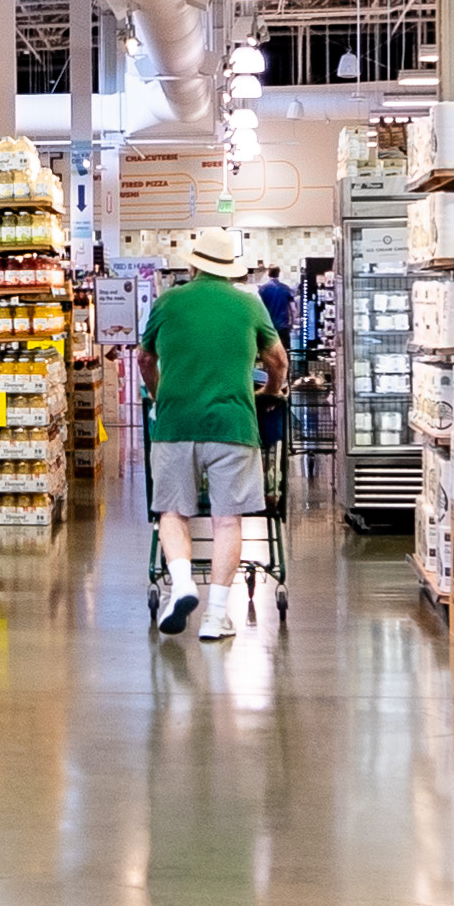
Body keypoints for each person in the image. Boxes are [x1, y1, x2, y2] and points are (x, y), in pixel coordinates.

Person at [141, 228, 286, 639]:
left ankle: (183, 582)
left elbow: (144, 358)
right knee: (227, 521)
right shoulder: (248, 303)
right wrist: (270, 392)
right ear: (230, 270)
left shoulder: (168, 300)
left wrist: (157, 395)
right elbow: (277, 360)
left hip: (174, 424)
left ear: (193, 264)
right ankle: (215, 615)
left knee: (172, 511)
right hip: (233, 423)